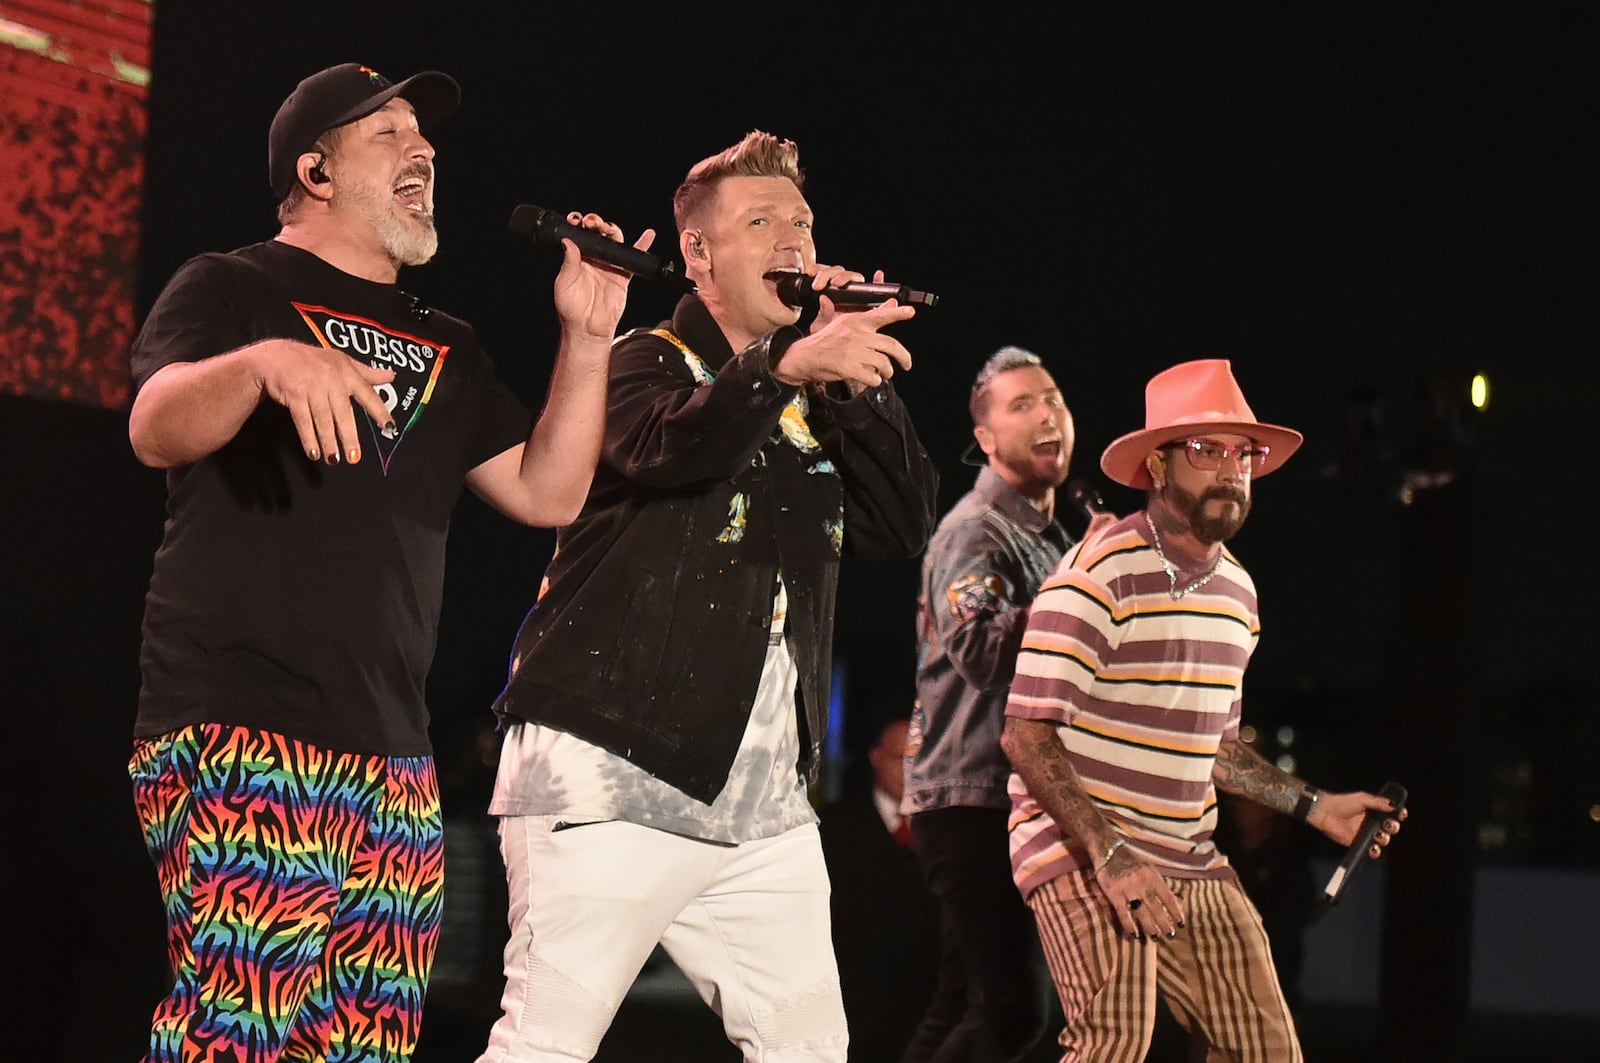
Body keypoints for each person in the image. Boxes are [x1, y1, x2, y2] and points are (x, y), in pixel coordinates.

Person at [124, 61, 647, 1063]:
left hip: (394, 760)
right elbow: (155, 425)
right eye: (390, 134)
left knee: (360, 1048)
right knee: (236, 1036)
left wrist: (587, 339)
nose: (426, 152)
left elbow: (549, 493)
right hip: (244, 725)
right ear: (316, 174)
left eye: (425, 136)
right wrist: (264, 362)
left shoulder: (445, 339)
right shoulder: (232, 285)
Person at [474, 129, 940, 1062]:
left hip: (762, 807)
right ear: (698, 253)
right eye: (760, 221)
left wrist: (847, 387)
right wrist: (783, 368)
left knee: (810, 1050)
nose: (791, 243)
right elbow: (674, 451)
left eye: (801, 223)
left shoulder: (811, 392)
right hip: (613, 772)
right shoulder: (646, 360)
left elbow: (902, 527)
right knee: (545, 1044)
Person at [998, 358, 1408, 1063]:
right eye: (1206, 450)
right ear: (1157, 464)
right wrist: (1111, 850)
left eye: (1243, 454)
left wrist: (1315, 806)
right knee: (1116, 1042)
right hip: (1082, 844)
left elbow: (1213, 748)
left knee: (1267, 1050)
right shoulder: (1099, 574)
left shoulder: (1238, 596)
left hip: (1187, 853)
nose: (1231, 470)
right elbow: (1026, 733)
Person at [900, 345, 1111, 1063]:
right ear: (985, 439)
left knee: (964, 1002)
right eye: (1022, 405)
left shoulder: (1055, 537)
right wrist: (1077, 590)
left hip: (1010, 796)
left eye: (1052, 397)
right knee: (1012, 1014)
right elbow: (986, 654)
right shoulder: (975, 530)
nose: (1047, 413)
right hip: (974, 798)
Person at [819, 714, 941, 1062]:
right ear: (875, 758)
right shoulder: (833, 829)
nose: (910, 770)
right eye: (900, 758)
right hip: (853, 1012)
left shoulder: (951, 833)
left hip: (930, 1017)